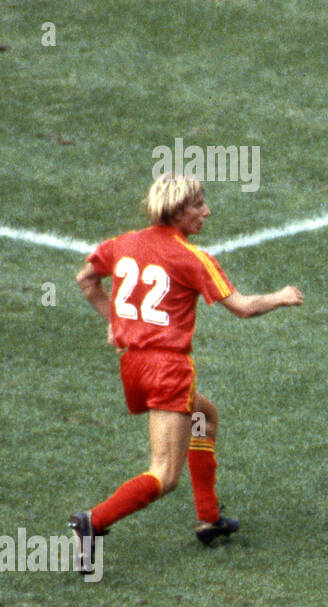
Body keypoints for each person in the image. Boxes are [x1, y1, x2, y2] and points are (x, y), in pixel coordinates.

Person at [70, 173, 303, 574]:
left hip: (134, 365)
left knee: (204, 416)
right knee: (164, 474)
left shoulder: (122, 244)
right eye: (198, 205)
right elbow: (243, 307)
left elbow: (86, 279)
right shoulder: (191, 258)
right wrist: (281, 297)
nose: (206, 212)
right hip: (167, 369)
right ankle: (92, 522)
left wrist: (116, 322)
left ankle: (209, 518)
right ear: (177, 210)